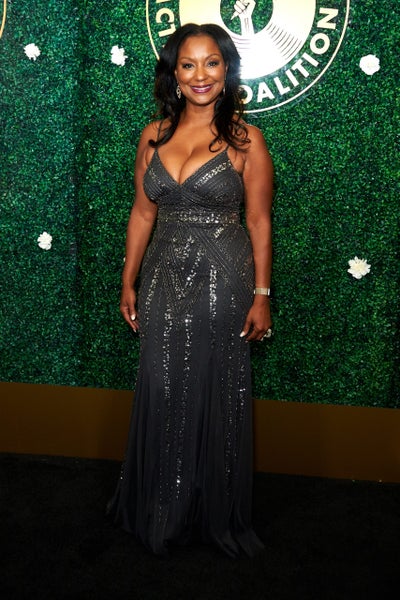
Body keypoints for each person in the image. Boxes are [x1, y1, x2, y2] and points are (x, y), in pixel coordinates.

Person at [107, 22, 273, 558]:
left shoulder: (246, 140)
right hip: (160, 277)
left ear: (226, 71)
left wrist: (262, 294)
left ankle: (210, 511)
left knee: (212, 388)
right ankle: (162, 506)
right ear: (174, 75)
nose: (200, 74)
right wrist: (128, 278)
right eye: (188, 64)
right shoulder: (152, 136)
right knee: (162, 385)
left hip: (223, 279)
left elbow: (259, 220)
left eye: (211, 62)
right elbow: (142, 213)